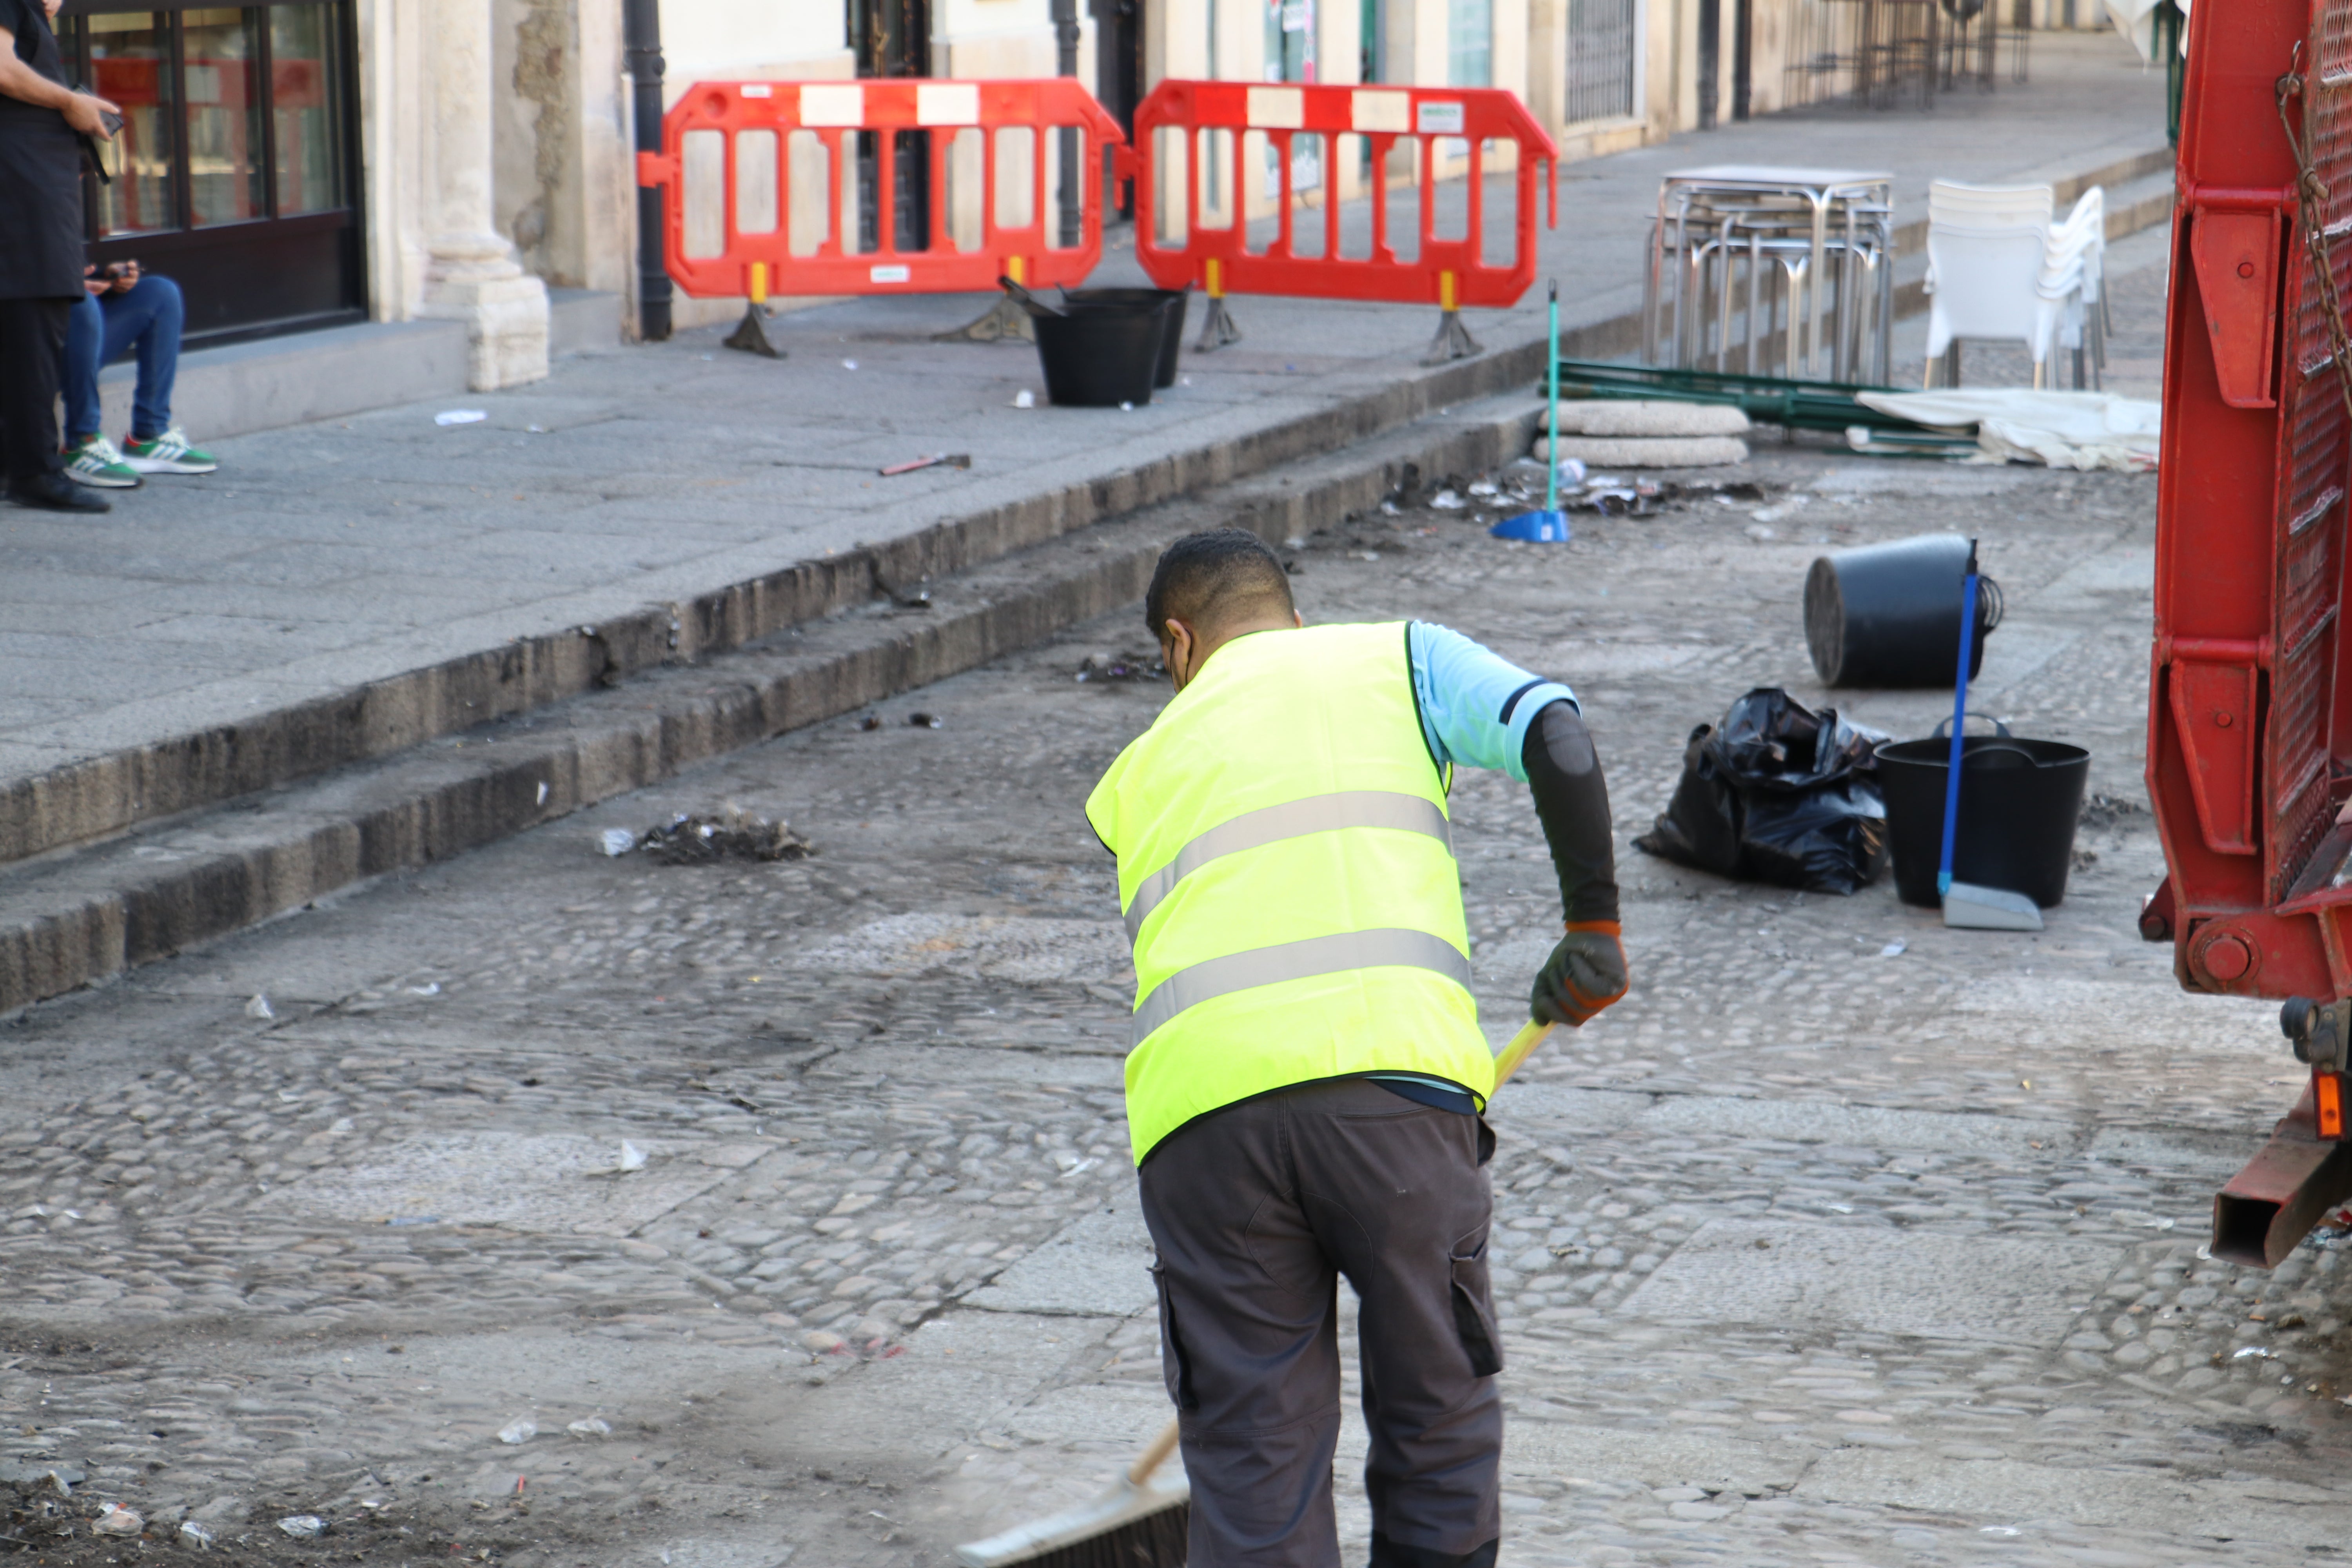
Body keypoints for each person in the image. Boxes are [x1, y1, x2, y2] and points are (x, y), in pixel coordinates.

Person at [1085, 528, 1628, 1568]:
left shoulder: (1135, 773)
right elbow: (1553, 728)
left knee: (1252, 1462)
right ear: (1293, 616)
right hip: (1398, 1107)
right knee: (1437, 1422)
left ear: (1178, 644)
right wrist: (1593, 928)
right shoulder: (1399, 659)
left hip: (1203, 1132)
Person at [0, 0, 116, 514]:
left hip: (29, 193)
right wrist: (70, 102)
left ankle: (24, 466)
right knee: (31, 330)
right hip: (22, 201)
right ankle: (36, 473)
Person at [60, 260, 218, 488]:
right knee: (80, 302)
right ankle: (81, 443)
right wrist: (66, 285)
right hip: (26, 347)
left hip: (70, 326)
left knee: (161, 292)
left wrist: (108, 276)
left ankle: (150, 434)